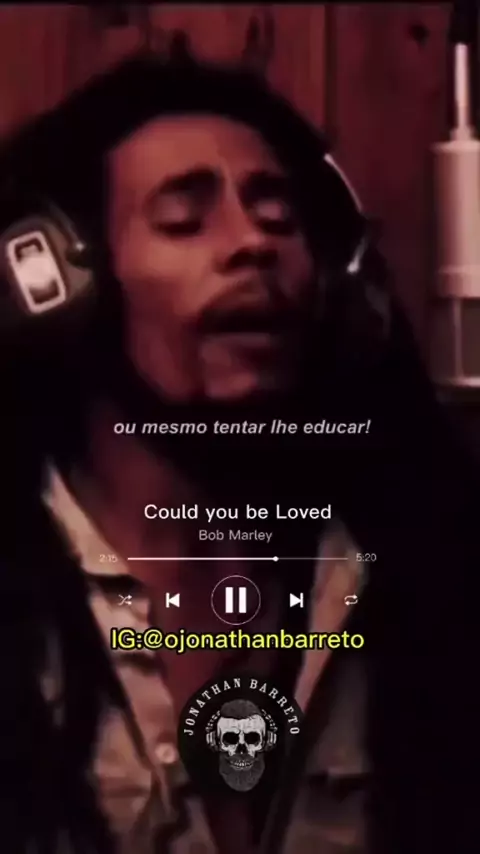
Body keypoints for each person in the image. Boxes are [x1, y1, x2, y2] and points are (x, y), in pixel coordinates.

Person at [0, 51, 477, 854]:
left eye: (279, 217)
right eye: (184, 221)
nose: (254, 243)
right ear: (53, 287)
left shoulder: (415, 576)